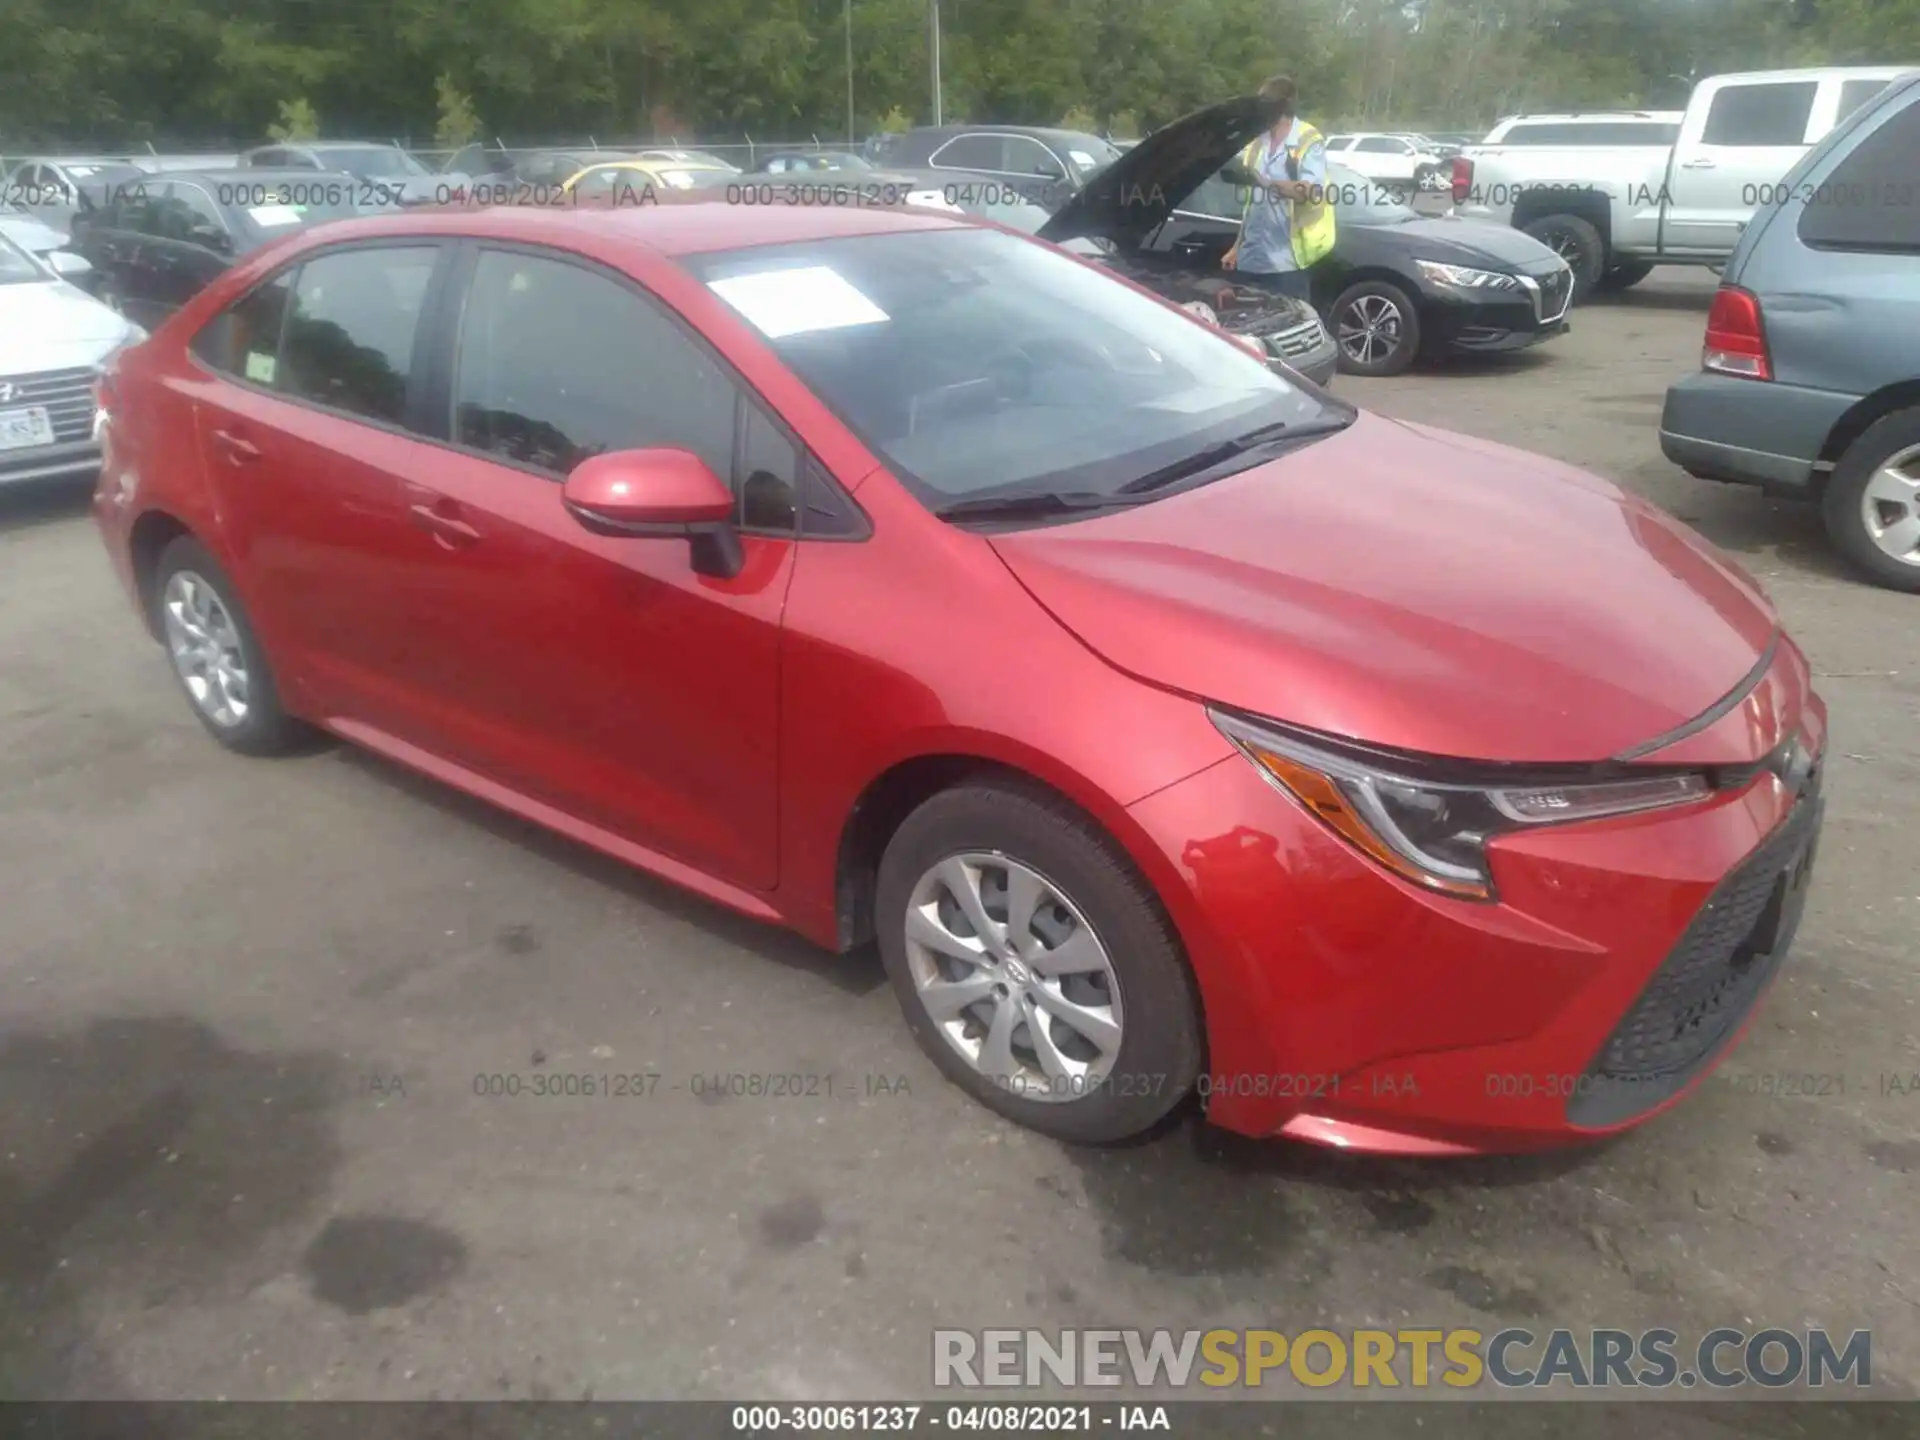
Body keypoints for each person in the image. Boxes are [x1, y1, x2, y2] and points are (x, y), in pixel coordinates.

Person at [1221, 75, 1335, 301]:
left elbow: (1311, 191)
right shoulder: (1256, 142)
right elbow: (1251, 204)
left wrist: (1266, 183)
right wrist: (1237, 247)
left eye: (1263, 103)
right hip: (1250, 259)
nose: (1258, 110)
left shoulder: (1307, 139)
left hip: (1287, 264)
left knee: (1287, 328)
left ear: (1280, 106)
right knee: (1245, 331)